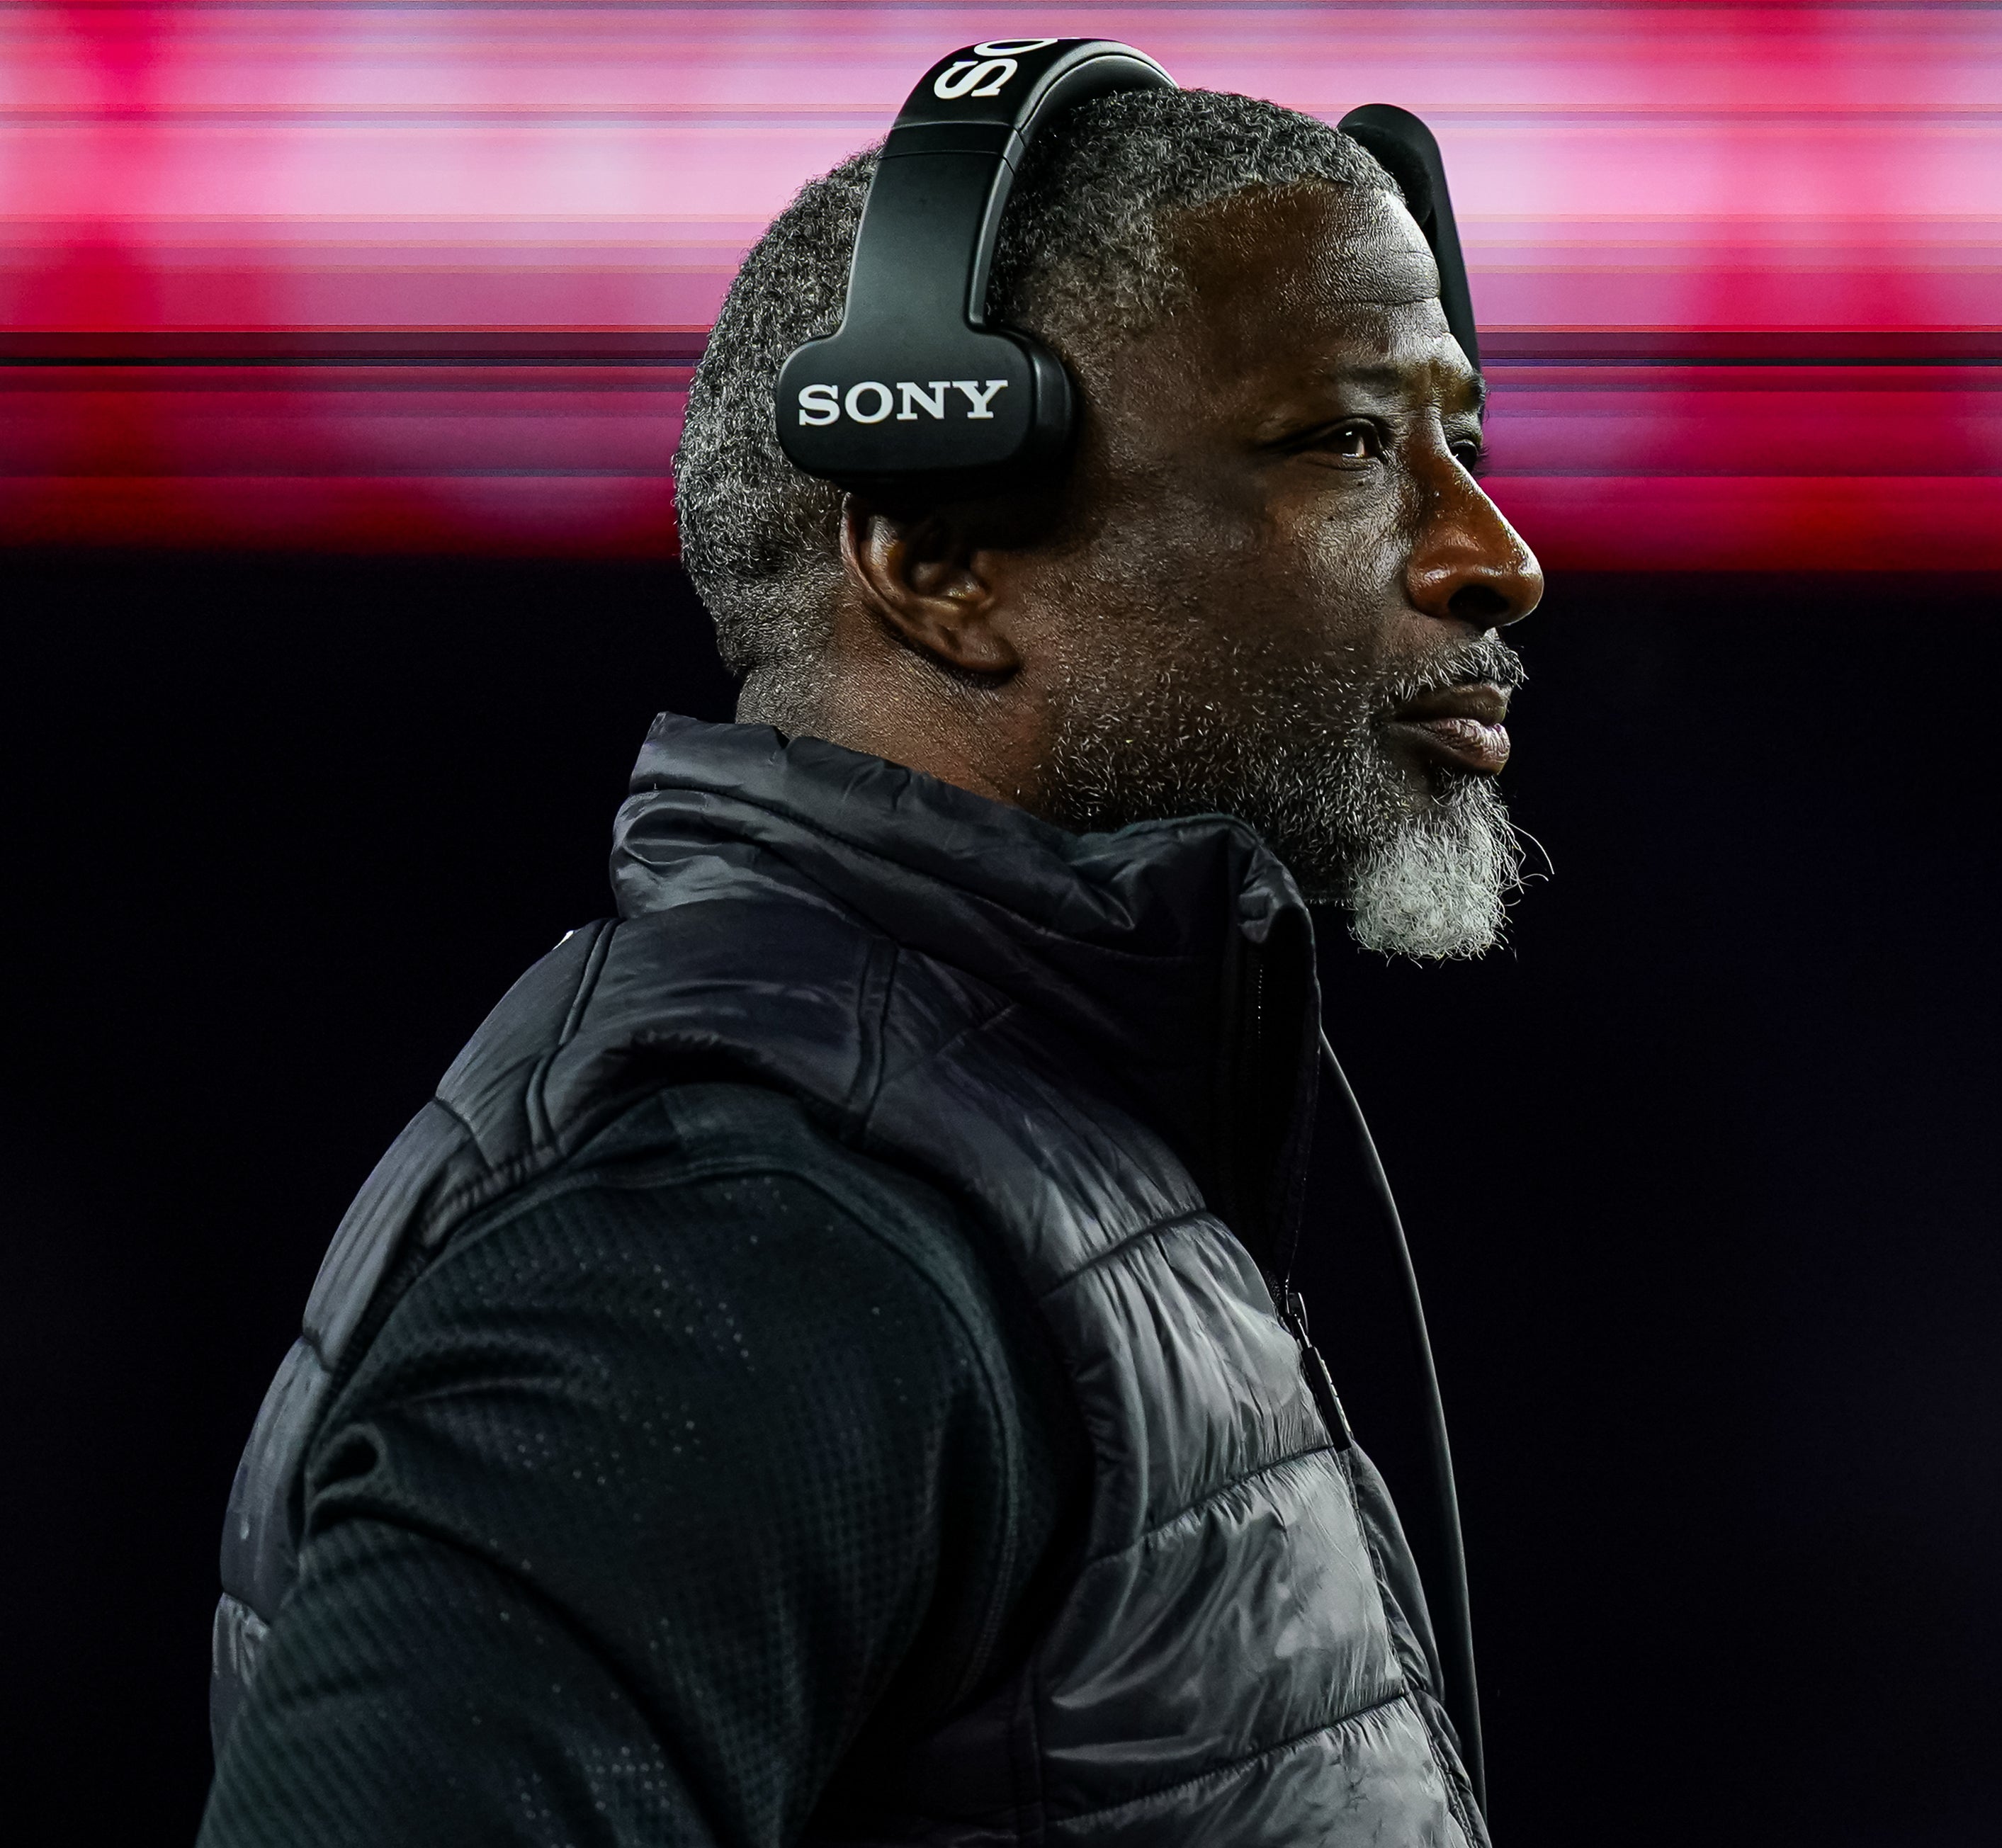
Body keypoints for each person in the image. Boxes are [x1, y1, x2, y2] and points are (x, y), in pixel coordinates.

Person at [198, 82, 1539, 1847]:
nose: (1495, 557)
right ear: (935, 559)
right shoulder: (744, 1231)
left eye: (1463, 444)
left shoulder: (1000, 1153)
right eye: (1351, 444)